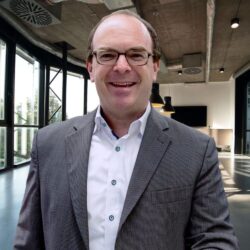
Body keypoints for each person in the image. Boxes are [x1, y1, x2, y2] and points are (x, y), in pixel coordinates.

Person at [14, 10, 239, 250]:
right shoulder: (47, 144)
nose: (122, 66)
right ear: (90, 67)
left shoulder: (196, 150)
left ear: (154, 66)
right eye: (107, 55)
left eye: (136, 54)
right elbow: (28, 242)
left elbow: (215, 242)